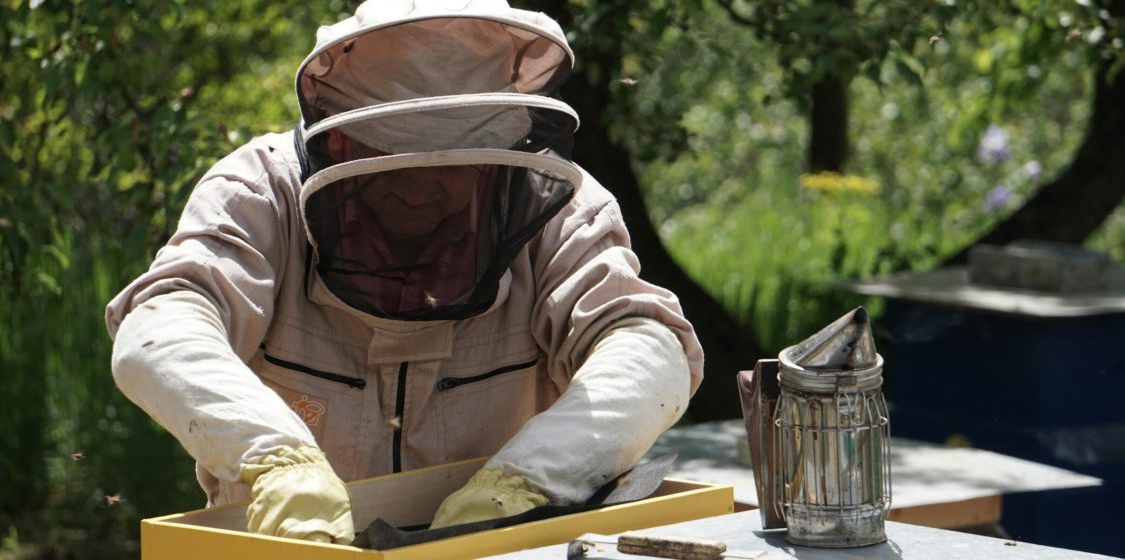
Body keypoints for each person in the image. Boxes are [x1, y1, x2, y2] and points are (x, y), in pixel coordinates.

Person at [106, 0, 703, 546]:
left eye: (451, 166)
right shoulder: (260, 194)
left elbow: (647, 348)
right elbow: (161, 329)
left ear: (495, 157)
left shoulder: (563, 214)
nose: (419, 190)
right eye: (389, 158)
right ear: (341, 142)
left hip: (496, 551)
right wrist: (278, 460)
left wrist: (525, 481)